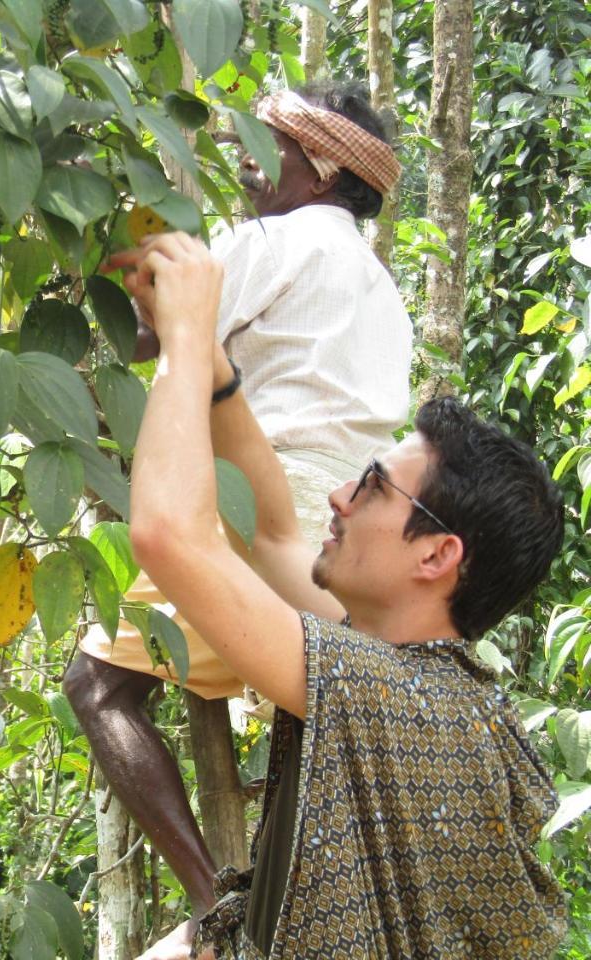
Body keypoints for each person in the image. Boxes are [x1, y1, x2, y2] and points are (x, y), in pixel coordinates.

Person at [126, 232, 567, 958]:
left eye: (371, 487)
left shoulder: (389, 696)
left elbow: (171, 535)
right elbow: (270, 534)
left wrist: (176, 340)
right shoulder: (425, 683)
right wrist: (211, 365)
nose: (337, 495)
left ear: (436, 555)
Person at [64, 80, 412, 912]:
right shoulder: (381, 289)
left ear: (322, 169)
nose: (253, 167)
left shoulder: (271, 240)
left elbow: (155, 336)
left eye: (273, 151)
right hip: (346, 531)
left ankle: (216, 901)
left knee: (98, 687)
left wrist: (96, 241)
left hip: (257, 504)